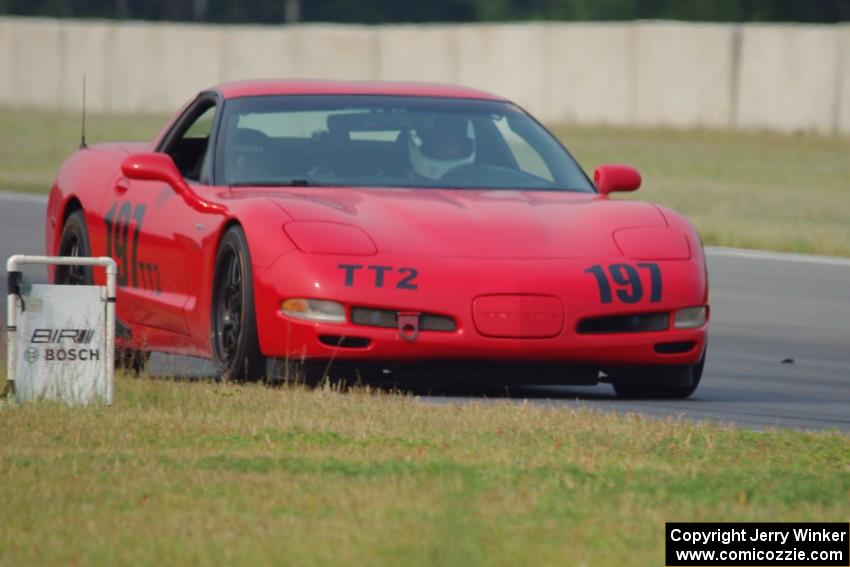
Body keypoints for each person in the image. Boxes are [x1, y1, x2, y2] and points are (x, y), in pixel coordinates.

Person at [406, 116, 476, 181]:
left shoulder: (474, 178)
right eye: (441, 144)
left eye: (454, 144)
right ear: (428, 147)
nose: (448, 148)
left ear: (462, 148)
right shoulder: (414, 179)